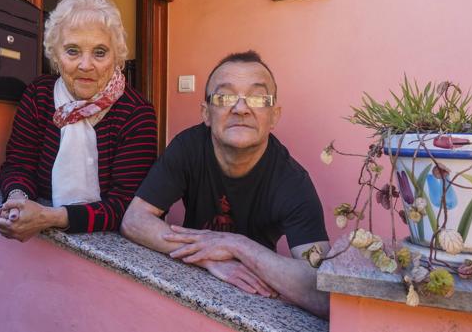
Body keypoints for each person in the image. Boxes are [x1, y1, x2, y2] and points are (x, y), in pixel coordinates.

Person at [120, 51, 330, 319]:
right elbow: (134, 220)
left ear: (274, 115)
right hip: (191, 281)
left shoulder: (292, 181)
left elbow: (322, 291)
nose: (241, 108)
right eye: (225, 97)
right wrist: (207, 257)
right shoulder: (188, 148)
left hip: (256, 294)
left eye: (257, 97)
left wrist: (237, 245)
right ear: (206, 113)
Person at [0, 0, 157, 242]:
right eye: (72, 51)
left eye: (100, 52)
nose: (85, 65)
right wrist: (17, 200)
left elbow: (125, 206)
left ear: (117, 58)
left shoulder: (136, 114)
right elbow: (19, 163)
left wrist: (52, 217)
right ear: (56, 55)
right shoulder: (39, 95)